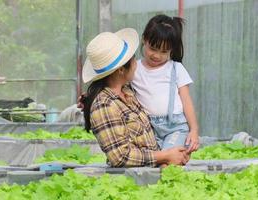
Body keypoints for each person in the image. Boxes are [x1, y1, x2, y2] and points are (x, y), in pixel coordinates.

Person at [81, 28, 189, 167]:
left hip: (150, 173)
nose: (136, 63)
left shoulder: (128, 91)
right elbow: (120, 157)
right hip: (134, 180)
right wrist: (165, 156)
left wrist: (175, 153)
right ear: (121, 70)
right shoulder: (104, 105)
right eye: (132, 60)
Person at [132, 14, 199, 153]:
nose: (157, 55)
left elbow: (186, 102)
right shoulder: (134, 69)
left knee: (168, 161)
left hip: (175, 127)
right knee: (150, 162)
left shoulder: (176, 68)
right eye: (153, 48)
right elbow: (115, 87)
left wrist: (194, 130)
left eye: (164, 52)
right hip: (147, 128)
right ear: (144, 39)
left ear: (171, 50)